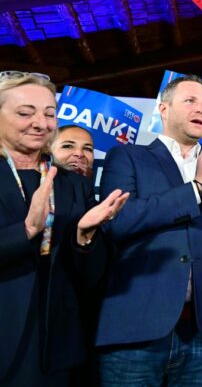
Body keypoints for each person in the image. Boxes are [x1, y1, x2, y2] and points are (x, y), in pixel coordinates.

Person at [96, 74, 202, 387]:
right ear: (164, 109)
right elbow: (119, 221)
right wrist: (194, 190)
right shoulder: (129, 156)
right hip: (137, 329)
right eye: (191, 101)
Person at [0, 72, 127, 386]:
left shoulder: (70, 184)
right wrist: (27, 230)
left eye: (49, 114)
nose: (41, 124)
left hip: (57, 343)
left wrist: (85, 237)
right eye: (25, 113)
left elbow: (90, 274)